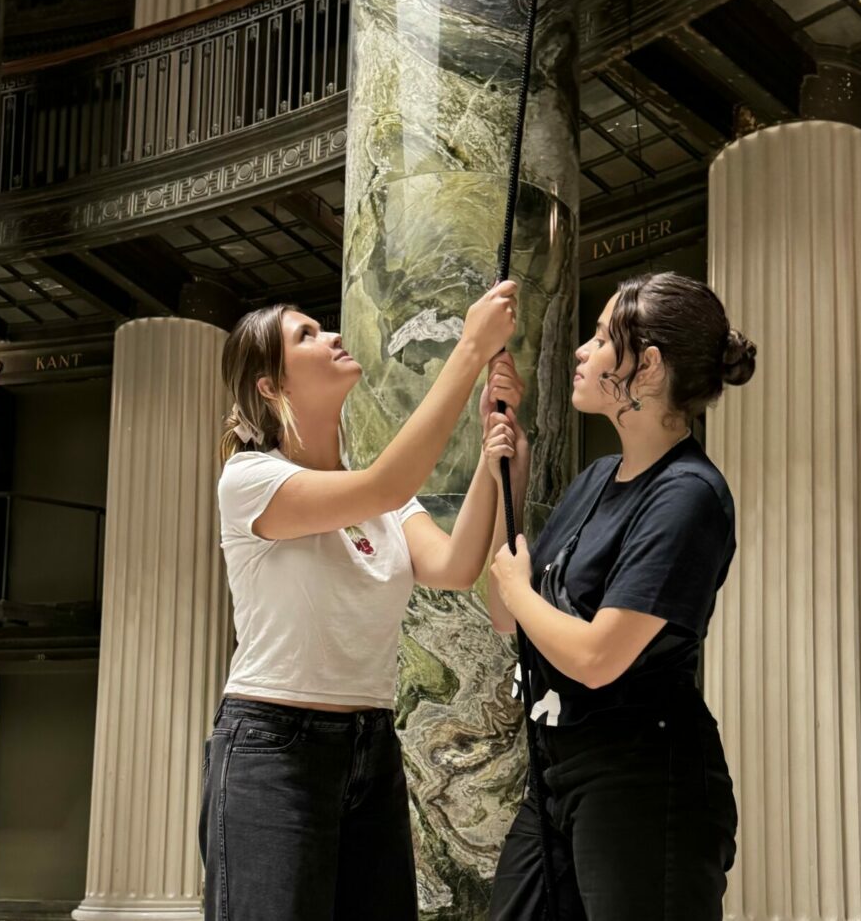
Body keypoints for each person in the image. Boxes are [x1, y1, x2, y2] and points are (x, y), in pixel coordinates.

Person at [199, 279, 524, 921]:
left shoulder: (381, 498)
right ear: (271, 386)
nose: (334, 336)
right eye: (307, 335)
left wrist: (492, 458)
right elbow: (387, 481)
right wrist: (468, 349)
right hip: (272, 746)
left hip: (370, 745)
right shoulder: (251, 479)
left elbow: (457, 567)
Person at [483, 271, 755, 921]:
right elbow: (506, 613)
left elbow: (599, 657)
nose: (582, 350)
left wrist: (519, 589)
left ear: (649, 367)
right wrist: (510, 486)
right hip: (556, 767)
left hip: (642, 778)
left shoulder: (687, 495)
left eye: (603, 338)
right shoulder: (596, 478)